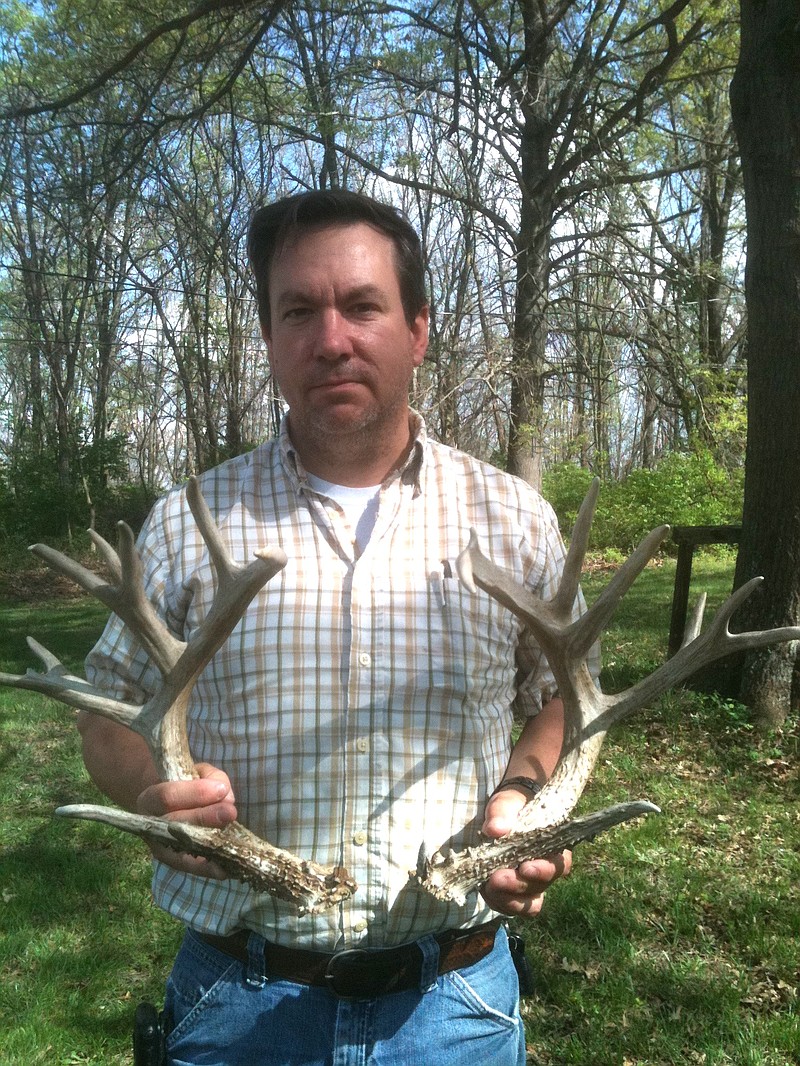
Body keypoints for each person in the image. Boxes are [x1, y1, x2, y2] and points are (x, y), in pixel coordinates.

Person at [79, 190, 595, 1066]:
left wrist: (525, 805)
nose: (331, 339)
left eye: (362, 305)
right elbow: (105, 710)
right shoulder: (191, 519)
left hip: (455, 1004)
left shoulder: (512, 520)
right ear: (272, 341)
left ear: (418, 329)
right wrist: (150, 795)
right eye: (298, 311)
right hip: (241, 1002)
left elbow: (560, 700)